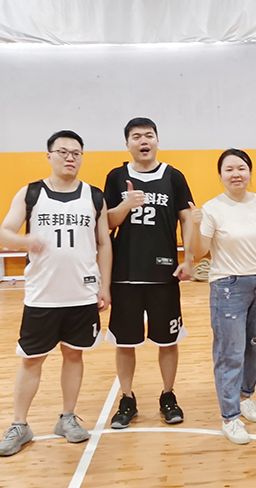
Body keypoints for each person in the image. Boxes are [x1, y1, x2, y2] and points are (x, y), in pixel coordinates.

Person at [0, 130, 112, 456]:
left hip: (82, 294)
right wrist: (25, 241)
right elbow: (4, 233)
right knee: (32, 359)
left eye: (76, 153)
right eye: (63, 152)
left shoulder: (94, 196)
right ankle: (19, 424)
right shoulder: (31, 193)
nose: (70, 158)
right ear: (49, 156)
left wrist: (104, 285)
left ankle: (67, 417)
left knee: (74, 355)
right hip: (42, 295)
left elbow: (104, 243)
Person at [104, 117, 195, 429]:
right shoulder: (116, 177)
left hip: (163, 276)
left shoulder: (174, 176)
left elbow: (188, 219)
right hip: (125, 275)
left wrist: (189, 258)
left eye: (149, 135)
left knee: (168, 340)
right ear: (127, 143)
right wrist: (126, 205)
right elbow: (108, 222)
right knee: (125, 342)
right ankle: (127, 398)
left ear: (157, 140)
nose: (143, 141)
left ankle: (168, 395)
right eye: (136, 136)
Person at [189, 149, 256, 445]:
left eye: (241, 168)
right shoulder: (212, 208)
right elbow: (199, 251)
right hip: (228, 286)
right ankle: (230, 417)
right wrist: (194, 224)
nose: (236, 174)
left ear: (249, 172)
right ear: (221, 175)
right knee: (230, 352)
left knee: (255, 345)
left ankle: (246, 397)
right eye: (229, 169)